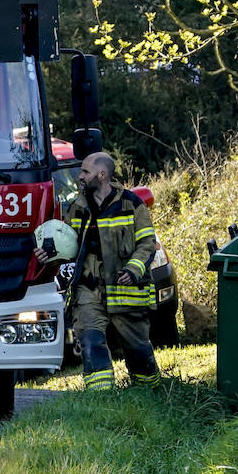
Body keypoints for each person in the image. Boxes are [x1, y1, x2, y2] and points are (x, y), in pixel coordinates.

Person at [37, 151, 160, 391]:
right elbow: (68, 247)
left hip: (127, 291)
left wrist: (133, 269)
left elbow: (147, 244)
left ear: (102, 175)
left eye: (85, 172)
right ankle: (101, 399)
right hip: (89, 289)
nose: (80, 177)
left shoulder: (132, 204)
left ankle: (150, 394)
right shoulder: (79, 207)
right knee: (91, 341)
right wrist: (48, 255)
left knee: (138, 351)